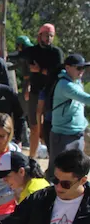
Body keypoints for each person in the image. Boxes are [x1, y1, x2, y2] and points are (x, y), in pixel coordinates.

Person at [24, 24, 64, 158]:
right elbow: (28, 70)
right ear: (40, 35)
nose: (49, 38)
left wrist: (40, 70)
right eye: (47, 35)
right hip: (35, 91)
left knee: (49, 127)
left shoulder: (56, 53)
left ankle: (52, 157)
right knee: (34, 126)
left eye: (51, 36)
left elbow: (57, 73)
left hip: (51, 93)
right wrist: (27, 86)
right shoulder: (32, 51)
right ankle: (32, 157)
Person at [47, 54, 90, 175]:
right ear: (67, 68)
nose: (82, 71)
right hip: (63, 136)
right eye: (79, 68)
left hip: (77, 134)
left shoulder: (77, 82)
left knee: (77, 172)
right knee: (57, 173)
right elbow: (86, 99)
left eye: (83, 68)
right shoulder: (65, 85)